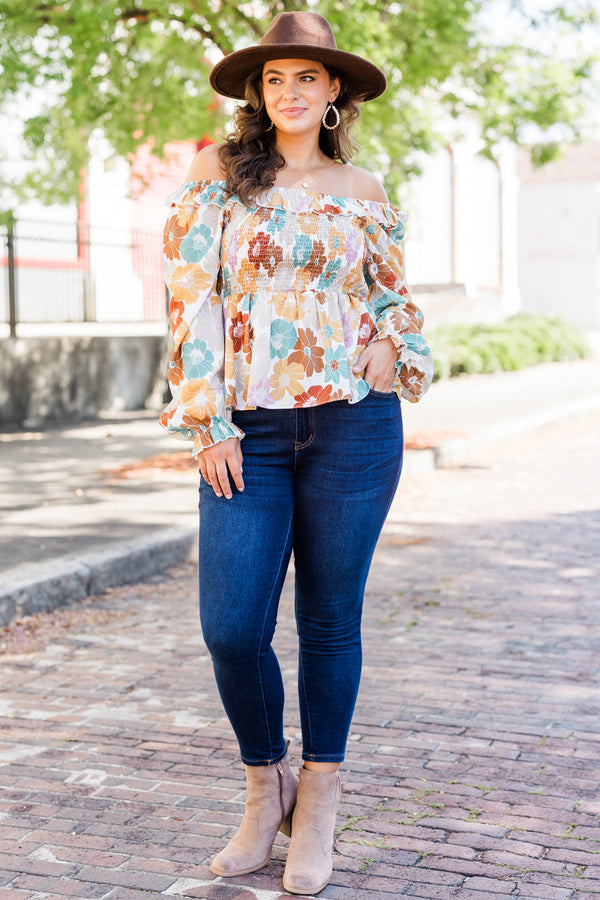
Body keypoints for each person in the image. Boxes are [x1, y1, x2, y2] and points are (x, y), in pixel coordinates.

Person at [160, 10, 433, 895]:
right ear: (259, 91)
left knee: (329, 621)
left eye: (306, 77)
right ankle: (265, 780)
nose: (289, 92)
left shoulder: (362, 187)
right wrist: (207, 420)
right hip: (249, 431)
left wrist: (395, 345)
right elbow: (190, 300)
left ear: (334, 90)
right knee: (233, 627)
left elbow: (396, 302)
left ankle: (318, 800)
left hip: (353, 427)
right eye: (275, 79)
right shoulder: (216, 176)